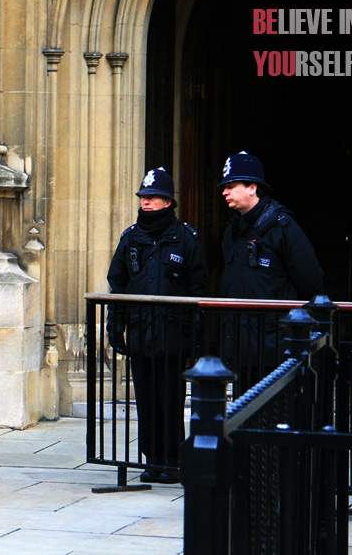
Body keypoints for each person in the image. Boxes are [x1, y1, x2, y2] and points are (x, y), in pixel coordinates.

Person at [107, 168, 207, 483]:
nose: (146, 203)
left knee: (171, 398)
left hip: (173, 334)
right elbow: (118, 284)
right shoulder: (131, 237)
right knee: (147, 400)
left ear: (167, 202)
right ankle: (152, 460)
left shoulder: (185, 238)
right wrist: (115, 325)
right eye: (143, 198)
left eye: (152, 198)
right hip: (141, 332)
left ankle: (173, 460)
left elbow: (198, 289)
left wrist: (197, 338)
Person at [218, 151, 324, 390]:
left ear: (252, 187)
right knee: (241, 418)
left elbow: (312, 282)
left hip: (273, 350)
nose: (224, 192)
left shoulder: (281, 228)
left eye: (231, 186)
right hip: (240, 347)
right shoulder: (232, 231)